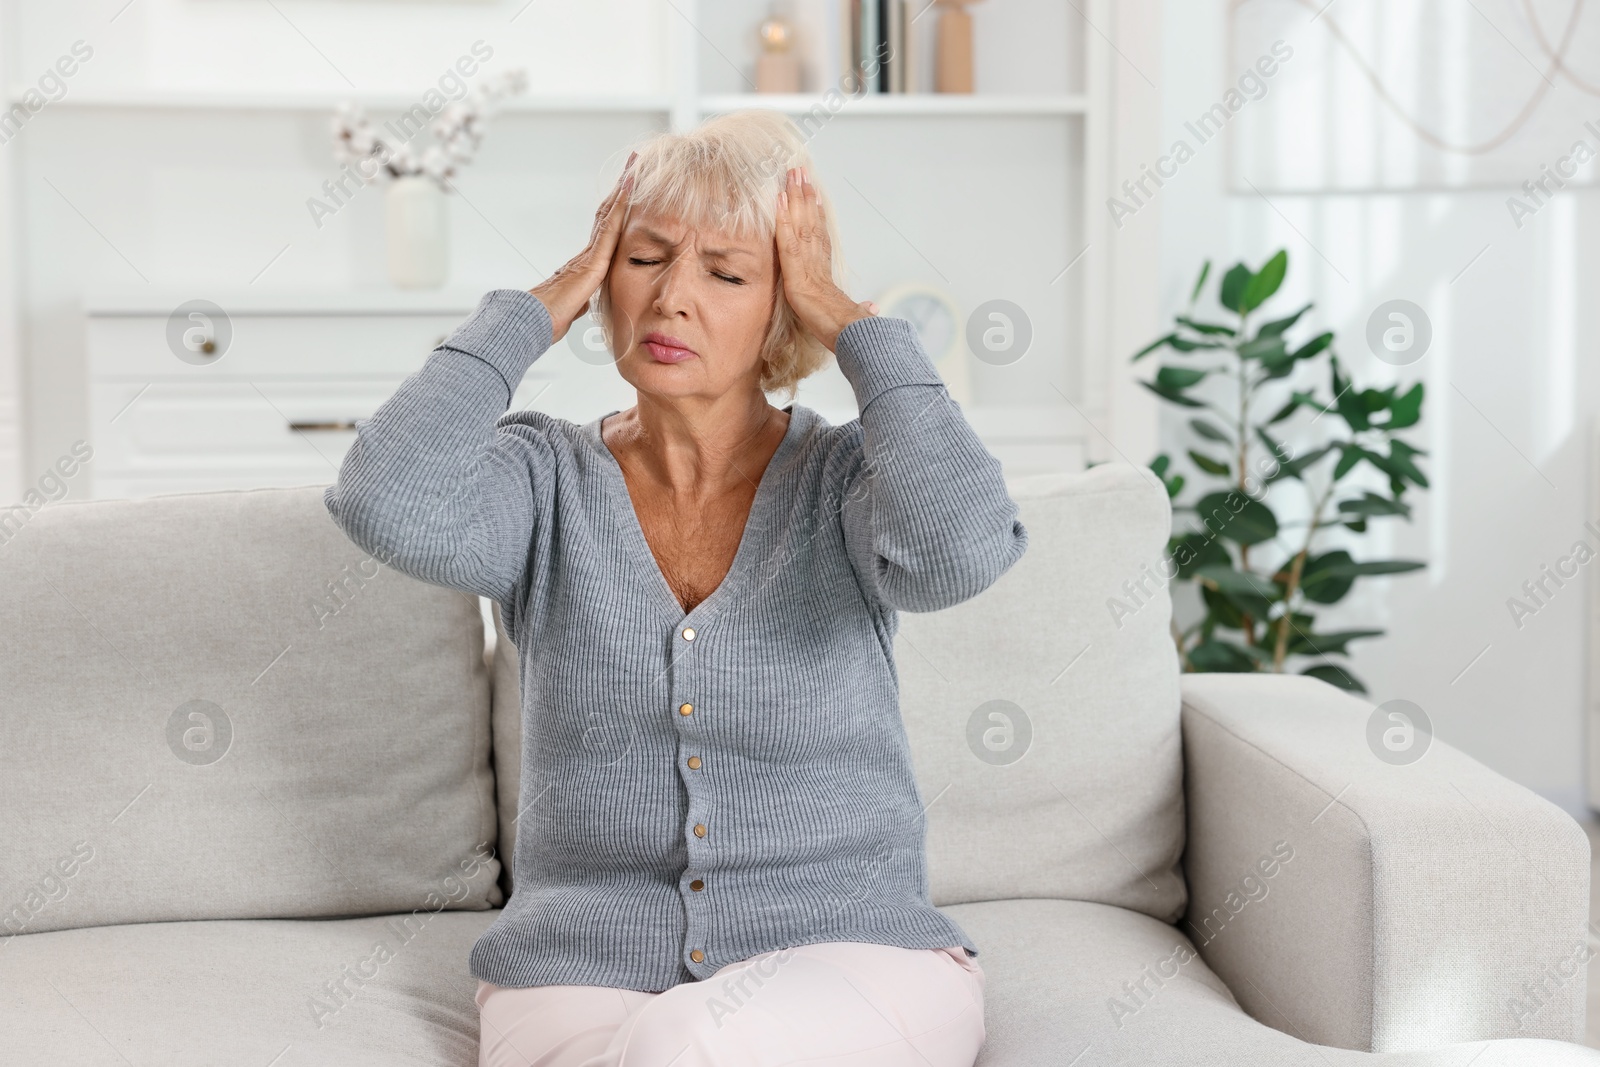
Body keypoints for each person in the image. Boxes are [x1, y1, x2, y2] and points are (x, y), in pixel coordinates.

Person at [324, 109, 1028, 1067]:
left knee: (686, 1040)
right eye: (644, 258)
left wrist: (859, 328)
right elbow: (382, 499)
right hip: (579, 967)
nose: (673, 299)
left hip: (852, 958)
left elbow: (963, 551)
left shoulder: (847, 481)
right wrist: (536, 306)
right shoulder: (543, 481)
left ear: (785, 307)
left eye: (726, 273)